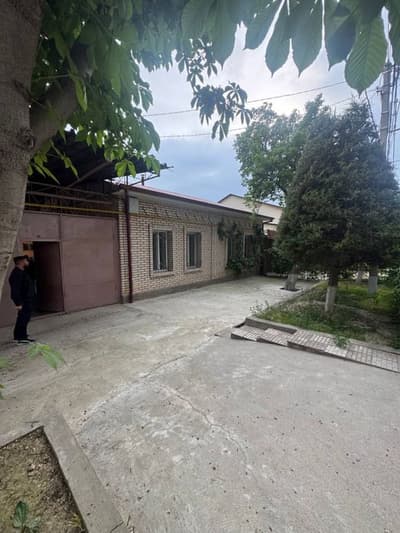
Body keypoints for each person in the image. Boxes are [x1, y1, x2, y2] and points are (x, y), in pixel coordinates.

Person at [9, 256, 36, 344]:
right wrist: (18, 303)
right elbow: (15, 290)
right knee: (23, 318)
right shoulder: (16, 274)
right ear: (21, 261)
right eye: (26, 260)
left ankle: (20, 335)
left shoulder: (23, 272)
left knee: (24, 317)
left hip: (27, 299)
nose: (27, 261)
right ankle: (21, 337)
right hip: (23, 300)